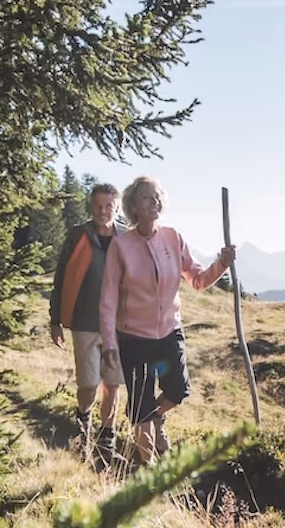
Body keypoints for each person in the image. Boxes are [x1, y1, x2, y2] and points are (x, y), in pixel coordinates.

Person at [100, 176, 235, 464]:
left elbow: (198, 280)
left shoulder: (173, 238)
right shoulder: (121, 247)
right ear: (133, 207)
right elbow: (108, 300)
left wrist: (221, 264)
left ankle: (156, 419)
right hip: (133, 339)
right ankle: (148, 470)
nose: (155, 201)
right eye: (148, 197)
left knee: (177, 390)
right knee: (141, 408)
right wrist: (110, 345)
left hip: (168, 333)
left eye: (158, 196)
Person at [49, 182, 123, 463]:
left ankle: (107, 440)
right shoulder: (78, 235)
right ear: (91, 207)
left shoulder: (126, 237)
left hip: (118, 326)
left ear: (116, 207)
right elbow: (61, 278)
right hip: (84, 322)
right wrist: (55, 320)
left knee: (112, 385)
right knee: (89, 386)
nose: (103, 211)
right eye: (98, 205)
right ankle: (83, 420)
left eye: (108, 206)